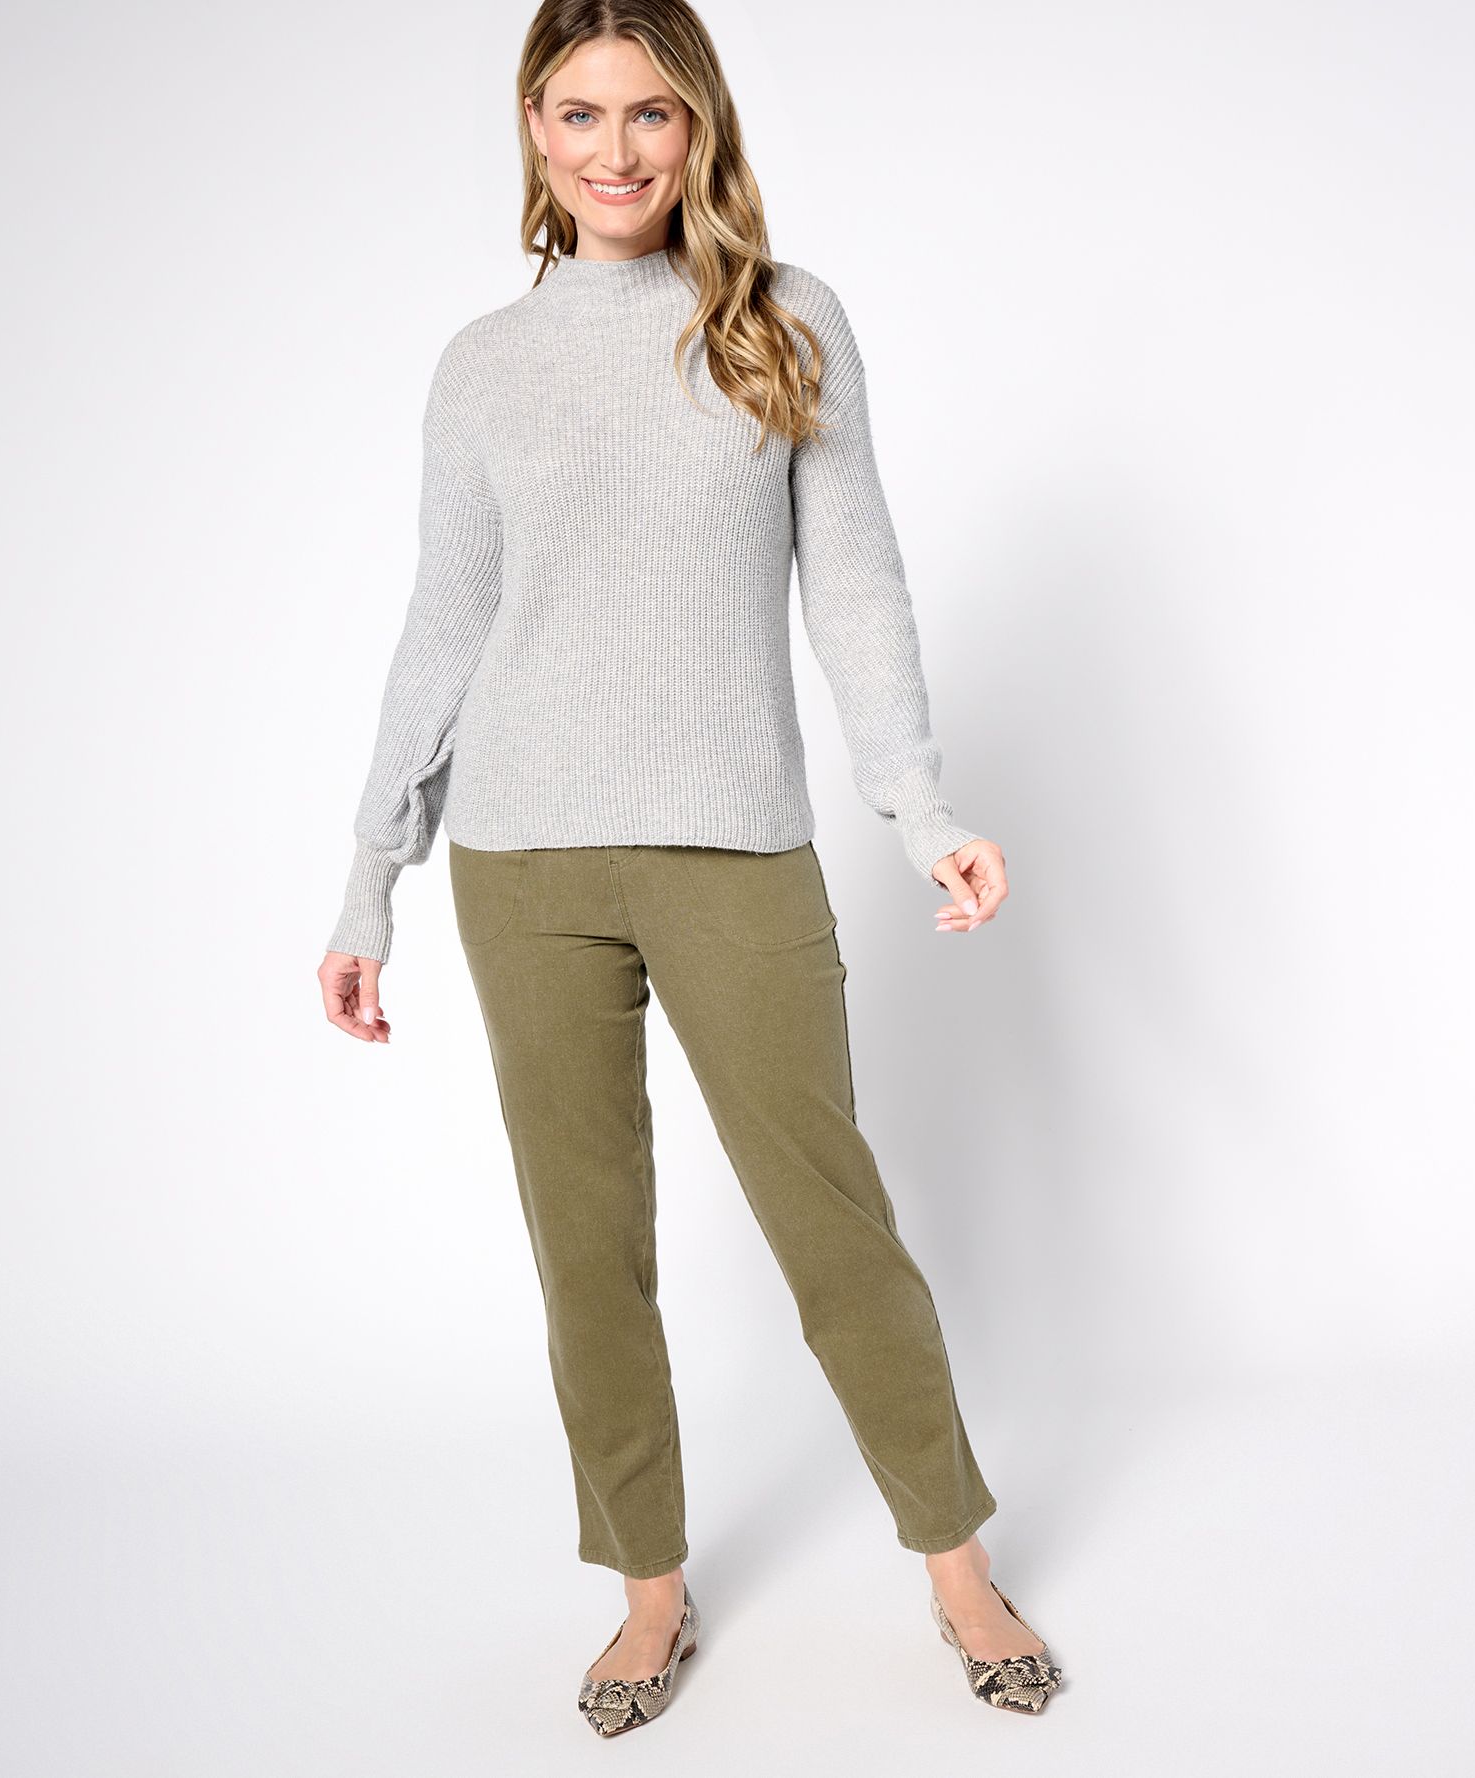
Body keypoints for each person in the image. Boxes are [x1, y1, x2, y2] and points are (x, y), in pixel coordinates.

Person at [317, 0, 1064, 1735]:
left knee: (832, 1224)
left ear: (700, 124)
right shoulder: (483, 366)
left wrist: (921, 807)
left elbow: (856, 586)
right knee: (587, 1249)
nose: (616, 149)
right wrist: (370, 871)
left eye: (650, 113)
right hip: (523, 862)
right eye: (579, 113)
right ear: (535, 126)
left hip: (736, 848)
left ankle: (956, 1560)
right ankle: (649, 1589)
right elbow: (444, 624)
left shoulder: (786, 323)